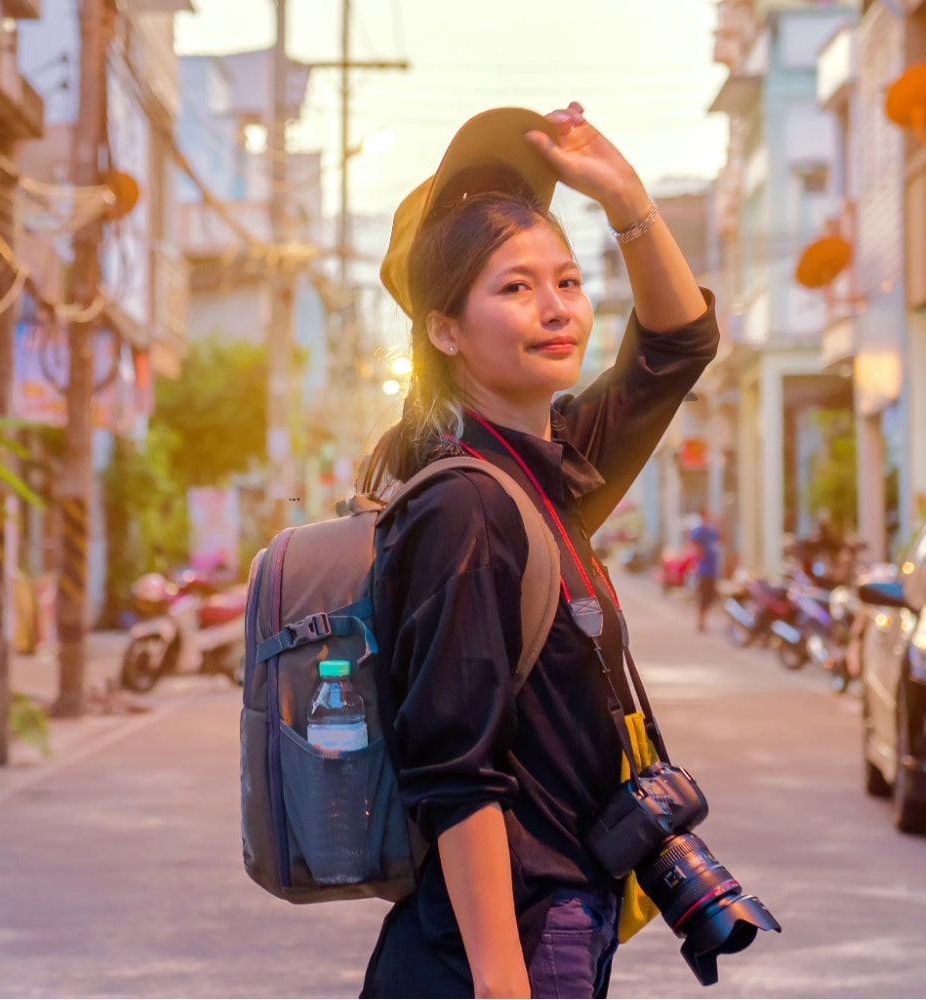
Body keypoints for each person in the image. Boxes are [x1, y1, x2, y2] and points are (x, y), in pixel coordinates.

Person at [354, 104, 719, 999]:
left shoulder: (551, 467)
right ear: (443, 328)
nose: (556, 309)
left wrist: (625, 199)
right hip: (502, 944)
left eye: (565, 281)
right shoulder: (467, 503)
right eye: (514, 288)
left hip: (561, 917)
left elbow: (678, 345)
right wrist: (502, 983)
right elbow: (456, 771)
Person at [687, 510, 723, 633]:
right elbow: (692, 542)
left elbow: (723, 538)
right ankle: (700, 622)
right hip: (704, 570)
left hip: (712, 570)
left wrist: (719, 525)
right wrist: (699, 552)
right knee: (703, 597)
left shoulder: (712, 531)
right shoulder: (699, 531)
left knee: (710, 598)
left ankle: (703, 620)